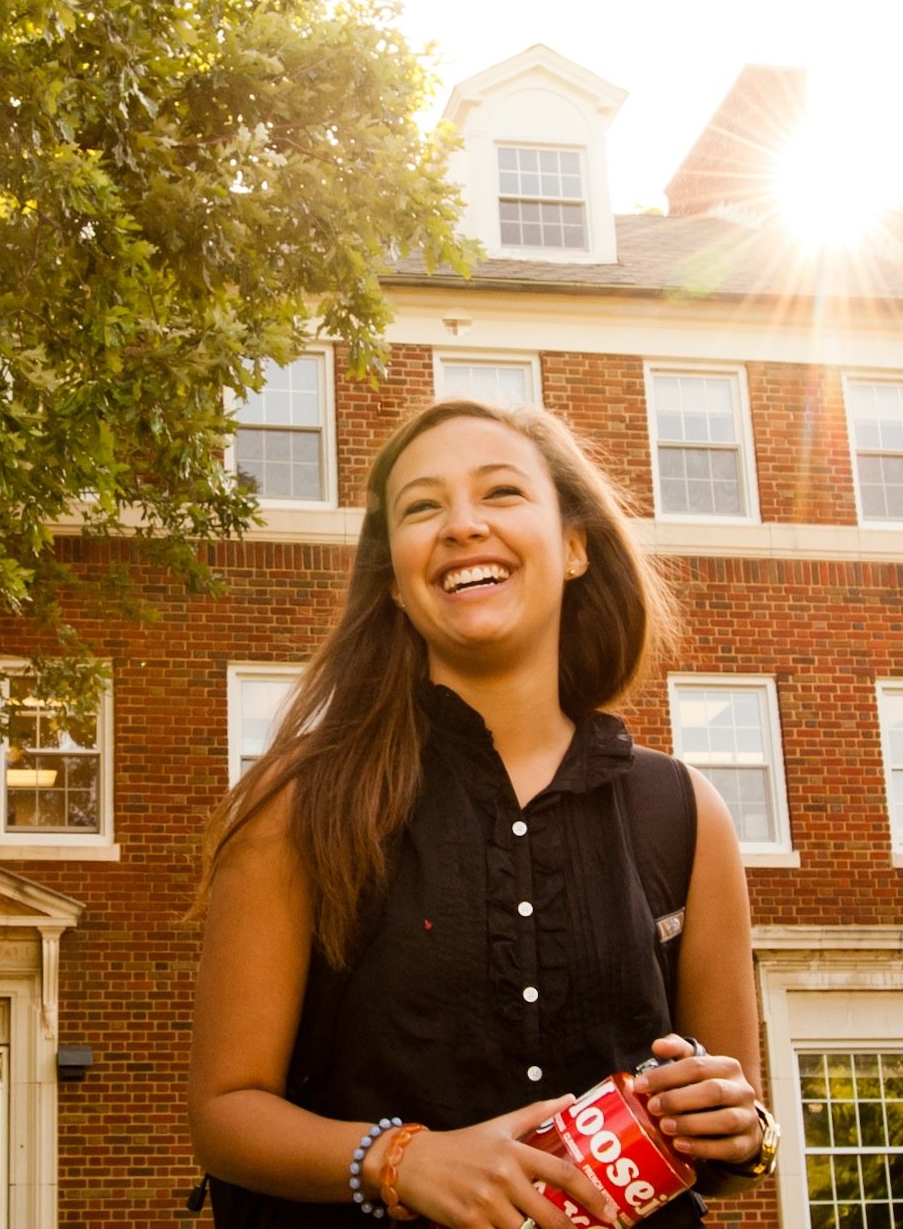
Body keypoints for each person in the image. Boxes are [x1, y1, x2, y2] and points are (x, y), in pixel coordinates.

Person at [190, 400, 779, 1228]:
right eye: (422, 507)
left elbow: (731, 1153)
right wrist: (402, 1160)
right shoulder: (300, 801)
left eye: (500, 493)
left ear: (574, 545)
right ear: (393, 580)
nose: (462, 525)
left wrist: (739, 1130)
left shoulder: (684, 813)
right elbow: (224, 1116)